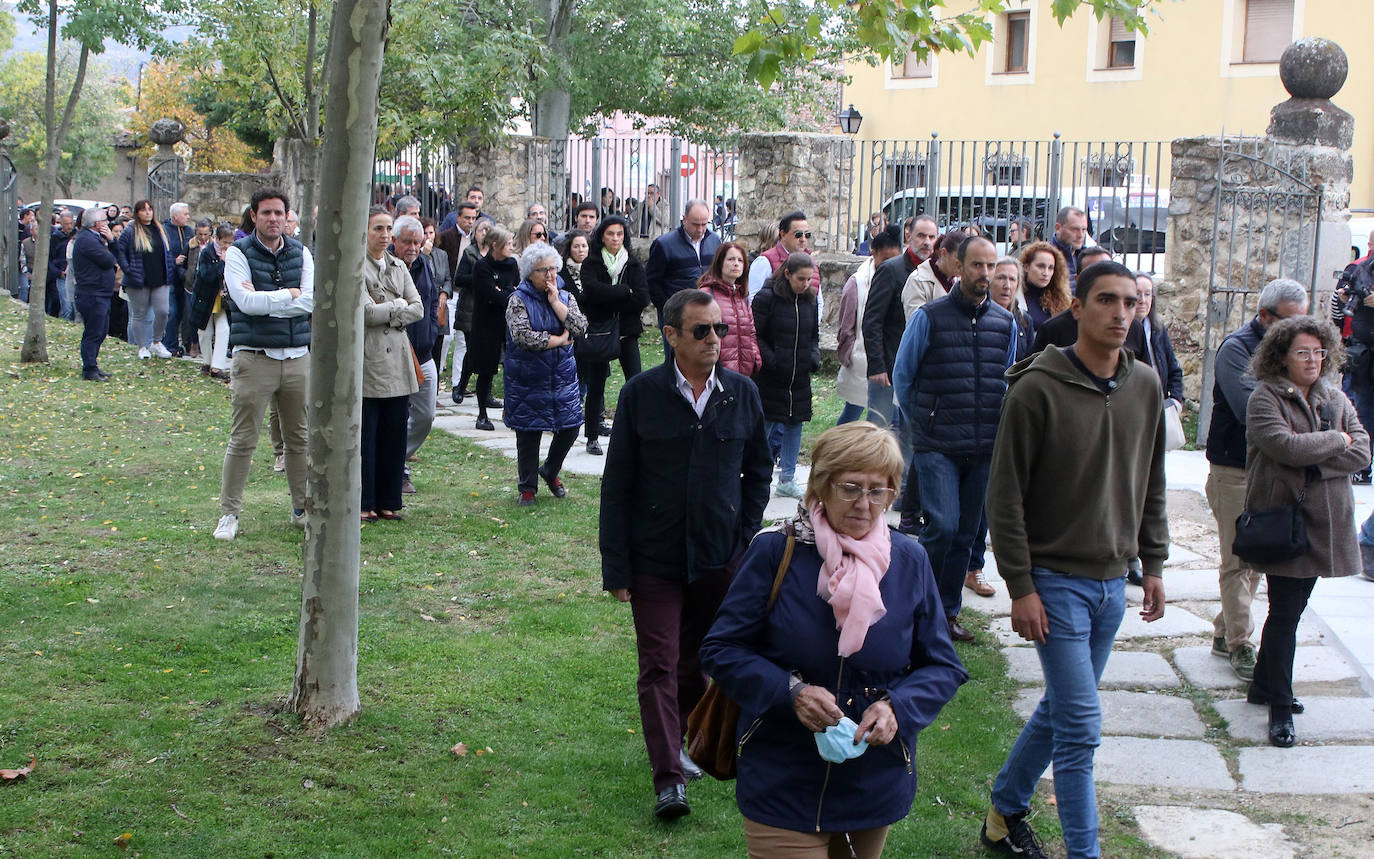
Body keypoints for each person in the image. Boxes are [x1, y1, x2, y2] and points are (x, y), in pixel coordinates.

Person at [699, 421, 967, 856]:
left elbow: (943, 665)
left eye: (878, 490)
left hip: (873, 780)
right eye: (850, 488)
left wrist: (898, 707)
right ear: (821, 488)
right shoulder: (776, 551)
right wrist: (792, 692)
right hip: (781, 771)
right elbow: (721, 649)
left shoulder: (910, 561)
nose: (864, 504)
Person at [981, 261, 1168, 859]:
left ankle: (1004, 811)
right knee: (1081, 728)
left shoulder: (1145, 385)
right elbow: (1003, 494)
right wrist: (1020, 585)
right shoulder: (1037, 387)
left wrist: (1155, 564)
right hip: (1054, 583)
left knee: (1060, 708)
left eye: (1130, 303)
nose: (1120, 314)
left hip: (1113, 584)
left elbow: (1152, 482)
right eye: (1106, 301)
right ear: (1078, 308)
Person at [599, 288, 772, 820]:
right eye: (702, 331)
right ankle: (668, 778)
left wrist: (743, 540)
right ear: (670, 335)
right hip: (654, 559)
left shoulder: (741, 393)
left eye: (719, 329)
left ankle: (691, 743)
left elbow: (759, 471)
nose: (715, 340)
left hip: (718, 558)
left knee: (697, 660)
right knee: (657, 665)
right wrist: (617, 567)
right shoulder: (641, 395)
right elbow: (618, 485)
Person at [1244, 316, 1369, 747]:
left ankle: (1264, 685)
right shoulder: (1265, 398)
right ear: (1281, 356)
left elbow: (1364, 450)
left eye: (1319, 352)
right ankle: (1279, 707)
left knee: (1290, 610)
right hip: (1285, 521)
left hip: (1325, 523)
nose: (1313, 360)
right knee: (1285, 614)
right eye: (1302, 352)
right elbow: (1284, 446)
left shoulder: (1334, 396)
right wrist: (1337, 441)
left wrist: (1314, 457)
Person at [893, 236, 1016, 643]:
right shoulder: (929, 317)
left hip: (984, 446)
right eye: (977, 265)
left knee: (965, 534)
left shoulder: (1005, 323)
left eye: (990, 266)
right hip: (938, 445)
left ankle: (946, 615)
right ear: (958, 267)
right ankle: (913, 608)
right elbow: (904, 376)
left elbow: (1009, 379)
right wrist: (923, 424)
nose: (985, 274)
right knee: (941, 527)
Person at [1204, 279, 1311, 680]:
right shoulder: (1236, 349)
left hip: (1272, 469)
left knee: (1258, 558)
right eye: (1288, 321)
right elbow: (1252, 412)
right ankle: (1239, 643)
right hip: (1235, 466)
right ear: (1265, 316)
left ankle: (1223, 630)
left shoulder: (1297, 350)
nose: (1297, 330)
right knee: (1237, 558)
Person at [212, 188, 314, 542]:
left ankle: (302, 509)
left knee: (299, 438)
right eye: (267, 213)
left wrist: (269, 300)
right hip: (254, 357)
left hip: (297, 356)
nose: (274, 219)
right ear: (253, 215)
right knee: (243, 439)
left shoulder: (302, 253)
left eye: (279, 213)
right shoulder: (238, 252)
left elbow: (311, 301)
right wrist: (289, 294)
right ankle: (229, 513)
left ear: (288, 217)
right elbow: (244, 302)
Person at [963, 255, 1035, 599]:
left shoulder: (1021, 321)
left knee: (992, 499)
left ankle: (974, 565)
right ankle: (965, 565)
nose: (1006, 284)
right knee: (971, 502)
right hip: (976, 418)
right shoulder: (981, 318)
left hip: (1010, 418)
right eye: (1000, 277)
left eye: (1012, 279)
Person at [503, 242, 589, 506]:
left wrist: (555, 304)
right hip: (527, 378)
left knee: (571, 427)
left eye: (553, 269)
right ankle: (527, 487)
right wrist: (558, 341)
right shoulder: (518, 299)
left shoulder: (564, 296)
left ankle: (550, 470)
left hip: (561, 377)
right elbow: (522, 336)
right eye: (543, 270)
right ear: (530, 273)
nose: (551, 275)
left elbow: (580, 326)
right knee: (528, 432)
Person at [360, 208, 423, 523]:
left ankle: (388, 500)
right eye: (378, 229)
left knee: (394, 434)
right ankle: (365, 501)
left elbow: (419, 308)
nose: (384, 235)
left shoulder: (399, 266)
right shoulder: (356, 266)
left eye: (387, 229)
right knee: (367, 434)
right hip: (370, 360)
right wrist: (397, 307)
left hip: (398, 361)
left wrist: (389, 308)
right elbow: (365, 314)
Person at [578, 216, 649, 455]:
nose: (615, 238)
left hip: (627, 331)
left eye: (619, 234)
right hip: (600, 330)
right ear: (602, 236)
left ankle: (635, 431)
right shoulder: (592, 263)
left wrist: (612, 298)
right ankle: (591, 436)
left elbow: (641, 298)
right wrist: (621, 292)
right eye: (610, 234)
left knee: (635, 381)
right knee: (596, 385)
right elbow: (591, 294)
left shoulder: (633, 264)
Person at [753, 253, 821, 499]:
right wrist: (772, 361)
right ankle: (757, 473)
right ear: (787, 274)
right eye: (800, 279)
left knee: (795, 424)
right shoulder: (766, 298)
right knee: (766, 426)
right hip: (772, 376)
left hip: (799, 375)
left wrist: (813, 357)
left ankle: (788, 478)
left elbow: (814, 334)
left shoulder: (809, 300)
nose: (805, 284)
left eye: (809, 280)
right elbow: (756, 335)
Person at [862, 214, 938, 427]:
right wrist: (877, 365)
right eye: (921, 235)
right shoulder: (891, 269)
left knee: (910, 432)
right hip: (889, 364)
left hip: (921, 368)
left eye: (932, 237)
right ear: (909, 236)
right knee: (879, 428)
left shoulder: (938, 274)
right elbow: (872, 320)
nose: (927, 242)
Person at [391, 216, 446, 495]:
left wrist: (432, 333)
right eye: (407, 242)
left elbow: (432, 301)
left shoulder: (426, 265)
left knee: (425, 416)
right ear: (394, 241)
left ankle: (395, 459)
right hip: (394, 354)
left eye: (417, 241)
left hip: (423, 353)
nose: (413, 247)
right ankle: (397, 470)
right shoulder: (386, 266)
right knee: (397, 415)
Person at [837, 226, 901, 424]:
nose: (889, 265)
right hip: (860, 358)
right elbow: (846, 323)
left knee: (890, 415)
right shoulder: (857, 282)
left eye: (894, 260)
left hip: (890, 357)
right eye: (885, 259)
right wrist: (849, 353)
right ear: (873, 253)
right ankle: (838, 446)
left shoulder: (901, 277)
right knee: (853, 411)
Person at [645, 200, 721, 342]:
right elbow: (652, 281)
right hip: (676, 315)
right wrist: (667, 307)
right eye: (695, 224)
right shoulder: (664, 244)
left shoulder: (715, 241)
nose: (700, 229)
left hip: (707, 311)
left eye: (704, 224)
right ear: (684, 219)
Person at [469, 225, 519, 431]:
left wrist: (504, 291)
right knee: (486, 369)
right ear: (495, 245)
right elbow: (492, 294)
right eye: (508, 243)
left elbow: (515, 291)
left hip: (508, 322)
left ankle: (512, 410)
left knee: (514, 368)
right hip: (486, 322)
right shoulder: (482, 266)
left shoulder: (512, 264)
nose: (511, 247)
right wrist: (504, 292)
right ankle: (482, 414)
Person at [115, 200, 175, 360]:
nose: (148, 212)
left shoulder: (160, 229)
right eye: (144, 210)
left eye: (150, 209)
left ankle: (156, 342)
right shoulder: (130, 230)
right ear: (137, 213)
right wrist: (128, 270)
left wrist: (170, 268)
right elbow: (120, 251)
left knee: (163, 311)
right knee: (140, 314)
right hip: (139, 279)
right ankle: (142, 346)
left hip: (160, 277)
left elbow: (167, 251)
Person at [697, 241, 762, 378]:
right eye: (731, 259)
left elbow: (750, 331)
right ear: (720, 263)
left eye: (740, 260)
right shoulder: (707, 293)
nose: (736, 264)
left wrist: (755, 357)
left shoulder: (742, 296)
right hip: (716, 371)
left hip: (744, 371)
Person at [70, 208, 118, 381]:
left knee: (101, 330)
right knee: (93, 332)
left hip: (100, 293)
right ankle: (89, 369)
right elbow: (109, 261)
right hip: (92, 294)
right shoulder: (87, 240)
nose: (107, 223)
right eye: (105, 220)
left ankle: (93, 365)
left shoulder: (94, 238)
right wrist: (112, 242)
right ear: (97, 224)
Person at [189, 223, 236, 381]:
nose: (227, 246)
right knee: (205, 332)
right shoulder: (207, 253)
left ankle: (217, 367)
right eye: (225, 242)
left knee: (223, 330)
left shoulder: (233, 253)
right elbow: (206, 275)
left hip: (221, 299)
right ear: (217, 239)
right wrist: (222, 263)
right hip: (205, 297)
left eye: (230, 243)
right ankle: (207, 362)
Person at [748, 210, 819, 301]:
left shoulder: (812, 262)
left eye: (807, 235)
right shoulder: (765, 261)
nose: (803, 239)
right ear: (783, 234)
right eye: (798, 234)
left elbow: (818, 300)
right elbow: (754, 301)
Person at [1136, 274, 1184, 405]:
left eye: (1147, 294)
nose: (1142, 300)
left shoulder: (1158, 329)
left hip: (1160, 403)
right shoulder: (1122, 334)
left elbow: (1174, 370)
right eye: (1137, 294)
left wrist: (1175, 400)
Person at [901, 229, 963, 318]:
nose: (962, 264)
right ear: (944, 253)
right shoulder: (917, 280)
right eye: (959, 258)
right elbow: (917, 323)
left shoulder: (961, 281)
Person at [161, 202, 195, 357]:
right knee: (172, 312)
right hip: (170, 279)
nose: (188, 217)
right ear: (175, 216)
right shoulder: (164, 231)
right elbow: (161, 253)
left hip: (186, 280)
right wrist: (173, 262)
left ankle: (185, 344)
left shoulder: (189, 231)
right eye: (185, 214)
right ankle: (170, 345)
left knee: (184, 313)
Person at [1017, 241, 1071, 330]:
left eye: (1050, 268)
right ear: (1026, 267)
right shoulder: (1016, 296)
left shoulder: (1060, 299)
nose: (1046, 273)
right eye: (1040, 266)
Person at [48, 210, 77, 320]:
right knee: (67, 307)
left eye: (71, 223)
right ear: (61, 223)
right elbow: (50, 259)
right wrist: (58, 272)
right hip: (62, 275)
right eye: (66, 224)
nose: (69, 226)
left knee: (75, 308)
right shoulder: (56, 237)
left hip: (74, 274)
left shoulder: (76, 236)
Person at [1050, 206, 1088, 288]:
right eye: (1075, 229)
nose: (1080, 235)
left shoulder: (1087, 257)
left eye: (1084, 229)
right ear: (1058, 228)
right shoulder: (1046, 256)